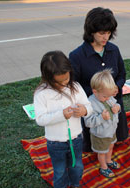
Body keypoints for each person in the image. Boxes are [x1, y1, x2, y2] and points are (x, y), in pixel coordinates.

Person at [69, 7, 128, 152]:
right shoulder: (77, 56)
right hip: (92, 109)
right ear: (91, 31)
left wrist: (117, 87)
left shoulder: (114, 50)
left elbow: (121, 74)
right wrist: (97, 94)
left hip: (113, 104)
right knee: (92, 145)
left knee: (117, 137)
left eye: (109, 33)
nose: (106, 37)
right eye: (102, 33)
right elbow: (74, 86)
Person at [34, 51, 93, 188]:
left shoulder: (76, 87)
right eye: (57, 82)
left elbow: (88, 106)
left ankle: (75, 184)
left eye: (66, 79)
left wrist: (84, 110)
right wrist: (61, 115)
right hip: (55, 143)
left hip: (76, 138)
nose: (63, 84)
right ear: (47, 77)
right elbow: (40, 119)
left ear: (70, 73)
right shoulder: (42, 94)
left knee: (77, 166)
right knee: (60, 170)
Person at [84, 69, 121, 178]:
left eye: (109, 96)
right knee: (102, 152)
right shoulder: (90, 103)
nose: (108, 99)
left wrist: (117, 108)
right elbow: (88, 122)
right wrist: (101, 118)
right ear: (95, 91)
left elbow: (116, 104)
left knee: (110, 147)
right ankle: (103, 167)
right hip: (100, 135)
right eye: (105, 96)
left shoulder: (107, 97)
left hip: (111, 131)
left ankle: (108, 160)